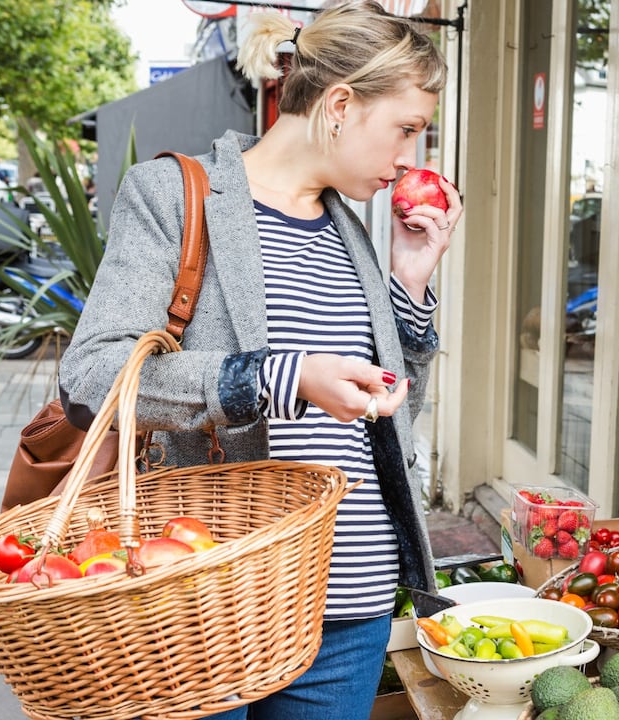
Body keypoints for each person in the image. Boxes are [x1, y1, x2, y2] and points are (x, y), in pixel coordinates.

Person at [58, 3, 459, 719]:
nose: (410, 160)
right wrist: (279, 377)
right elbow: (92, 379)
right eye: (405, 130)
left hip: (351, 605)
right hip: (213, 601)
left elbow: (393, 419)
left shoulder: (352, 229)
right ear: (339, 105)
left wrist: (411, 283)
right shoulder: (175, 198)